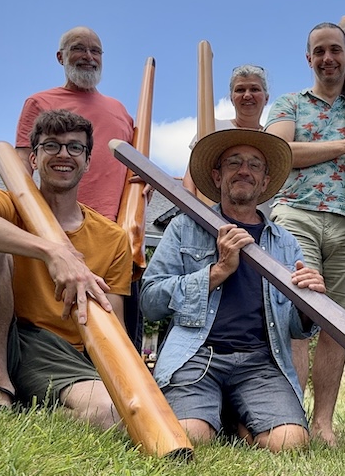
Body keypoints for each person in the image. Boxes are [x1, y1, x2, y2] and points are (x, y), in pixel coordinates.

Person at [0, 109, 131, 429]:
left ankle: (22, 413)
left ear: (87, 161)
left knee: (109, 413)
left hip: (57, 355)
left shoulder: (112, 238)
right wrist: (52, 252)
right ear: (33, 158)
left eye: (75, 147)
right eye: (51, 145)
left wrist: (130, 387)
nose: (63, 154)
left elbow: (114, 327)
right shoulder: (7, 203)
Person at [139, 129, 325, 452]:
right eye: (234, 163)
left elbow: (297, 328)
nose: (244, 171)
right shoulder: (184, 227)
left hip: (259, 364)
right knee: (188, 437)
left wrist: (310, 304)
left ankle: (232, 415)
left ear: (265, 182)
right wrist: (217, 272)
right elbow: (149, 301)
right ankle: (226, 418)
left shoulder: (286, 243)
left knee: (291, 443)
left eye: (255, 165)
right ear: (217, 175)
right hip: (197, 356)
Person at [264, 22, 345, 446]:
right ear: (309, 59)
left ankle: (322, 423)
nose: (328, 58)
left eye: (335, 50)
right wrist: (344, 146)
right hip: (298, 212)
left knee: (339, 324)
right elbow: (277, 154)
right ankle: (288, 414)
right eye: (319, 51)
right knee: (296, 312)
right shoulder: (291, 103)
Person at [16, 27, 134, 222]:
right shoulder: (38, 102)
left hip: (111, 226)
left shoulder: (121, 111)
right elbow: (21, 166)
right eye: (78, 48)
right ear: (60, 57)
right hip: (55, 221)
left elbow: (135, 169)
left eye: (95, 51)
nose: (89, 56)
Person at [183, 64, 270, 196]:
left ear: (266, 98)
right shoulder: (213, 128)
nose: (247, 95)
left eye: (254, 89)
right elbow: (190, 181)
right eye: (240, 90)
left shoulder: (272, 139)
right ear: (231, 98)